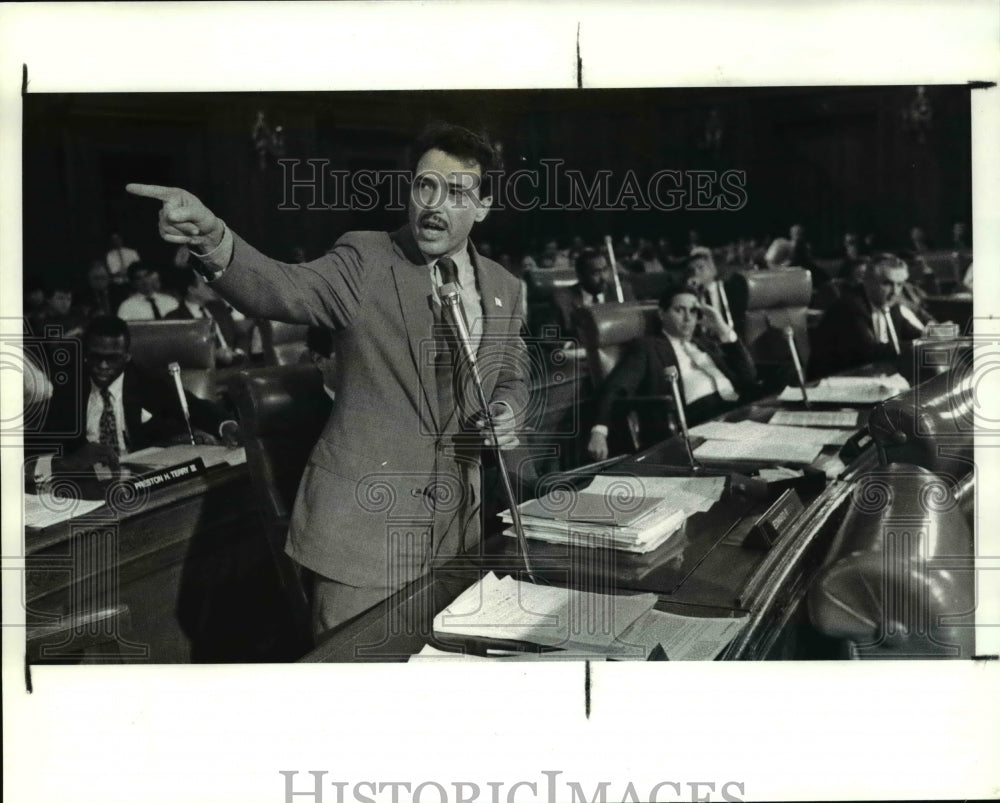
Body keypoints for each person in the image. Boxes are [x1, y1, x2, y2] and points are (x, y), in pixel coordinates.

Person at [127, 121, 527, 636]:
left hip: (457, 532)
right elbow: (278, 288)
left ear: (483, 206)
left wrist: (508, 409)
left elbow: (510, 371)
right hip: (362, 537)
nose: (434, 204)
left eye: (456, 193)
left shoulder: (503, 286)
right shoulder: (365, 259)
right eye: (424, 185)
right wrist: (212, 237)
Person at [27, 316, 240, 480]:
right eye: (95, 357)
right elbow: (40, 443)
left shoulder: (146, 381)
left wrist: (226, 425)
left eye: (112, 358)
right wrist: (65, 463)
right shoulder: (69, 387)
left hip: (143, 475)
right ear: (85, 354)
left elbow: (194, 407)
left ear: (127, 357)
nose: (102, 366)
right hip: (90, 481)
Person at [587, 282, 757, 462]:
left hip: (738, 410)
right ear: (662, 314)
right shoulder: (648, 347)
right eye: (679, 310)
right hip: (698, 421)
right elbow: (616, 386)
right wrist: (599, 431)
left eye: (693, 311)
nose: (688, 318)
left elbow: (748, 376)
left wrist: (721, 327)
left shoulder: (705, 343)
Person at [809, 253, 926, 379]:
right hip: (832, 382)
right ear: (868, 282)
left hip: (871, 378)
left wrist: (942, 334)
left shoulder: (891, 306)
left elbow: (915, 334)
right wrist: (917, 345)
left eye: (900, 285)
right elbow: (869, 351)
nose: (895, 292)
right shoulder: (850, 307)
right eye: (887, 284)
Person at [548, 247, 635, 343]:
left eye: (605, 270)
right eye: (595, 273)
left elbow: (636, 326)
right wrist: (571, 346)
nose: (603, 278)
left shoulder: (622, 291)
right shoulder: (562, 299)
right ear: (580, 276)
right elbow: (548, 338)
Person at [165, 268, 248, 366]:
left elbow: (241, 335)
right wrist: (213, 355)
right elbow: (180, 353)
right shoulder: (175, 319)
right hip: (205, 373)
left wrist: (238, 353)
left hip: (236, 366)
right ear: (192, 290)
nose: (210, 286)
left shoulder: (219, 307)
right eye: (204, 283)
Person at [686, 247, 733, 328]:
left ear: (713, 268)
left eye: (701, 267)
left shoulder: (728, 288)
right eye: (692, 270)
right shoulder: (692, 293)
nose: (696, 273)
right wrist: (691, 293)